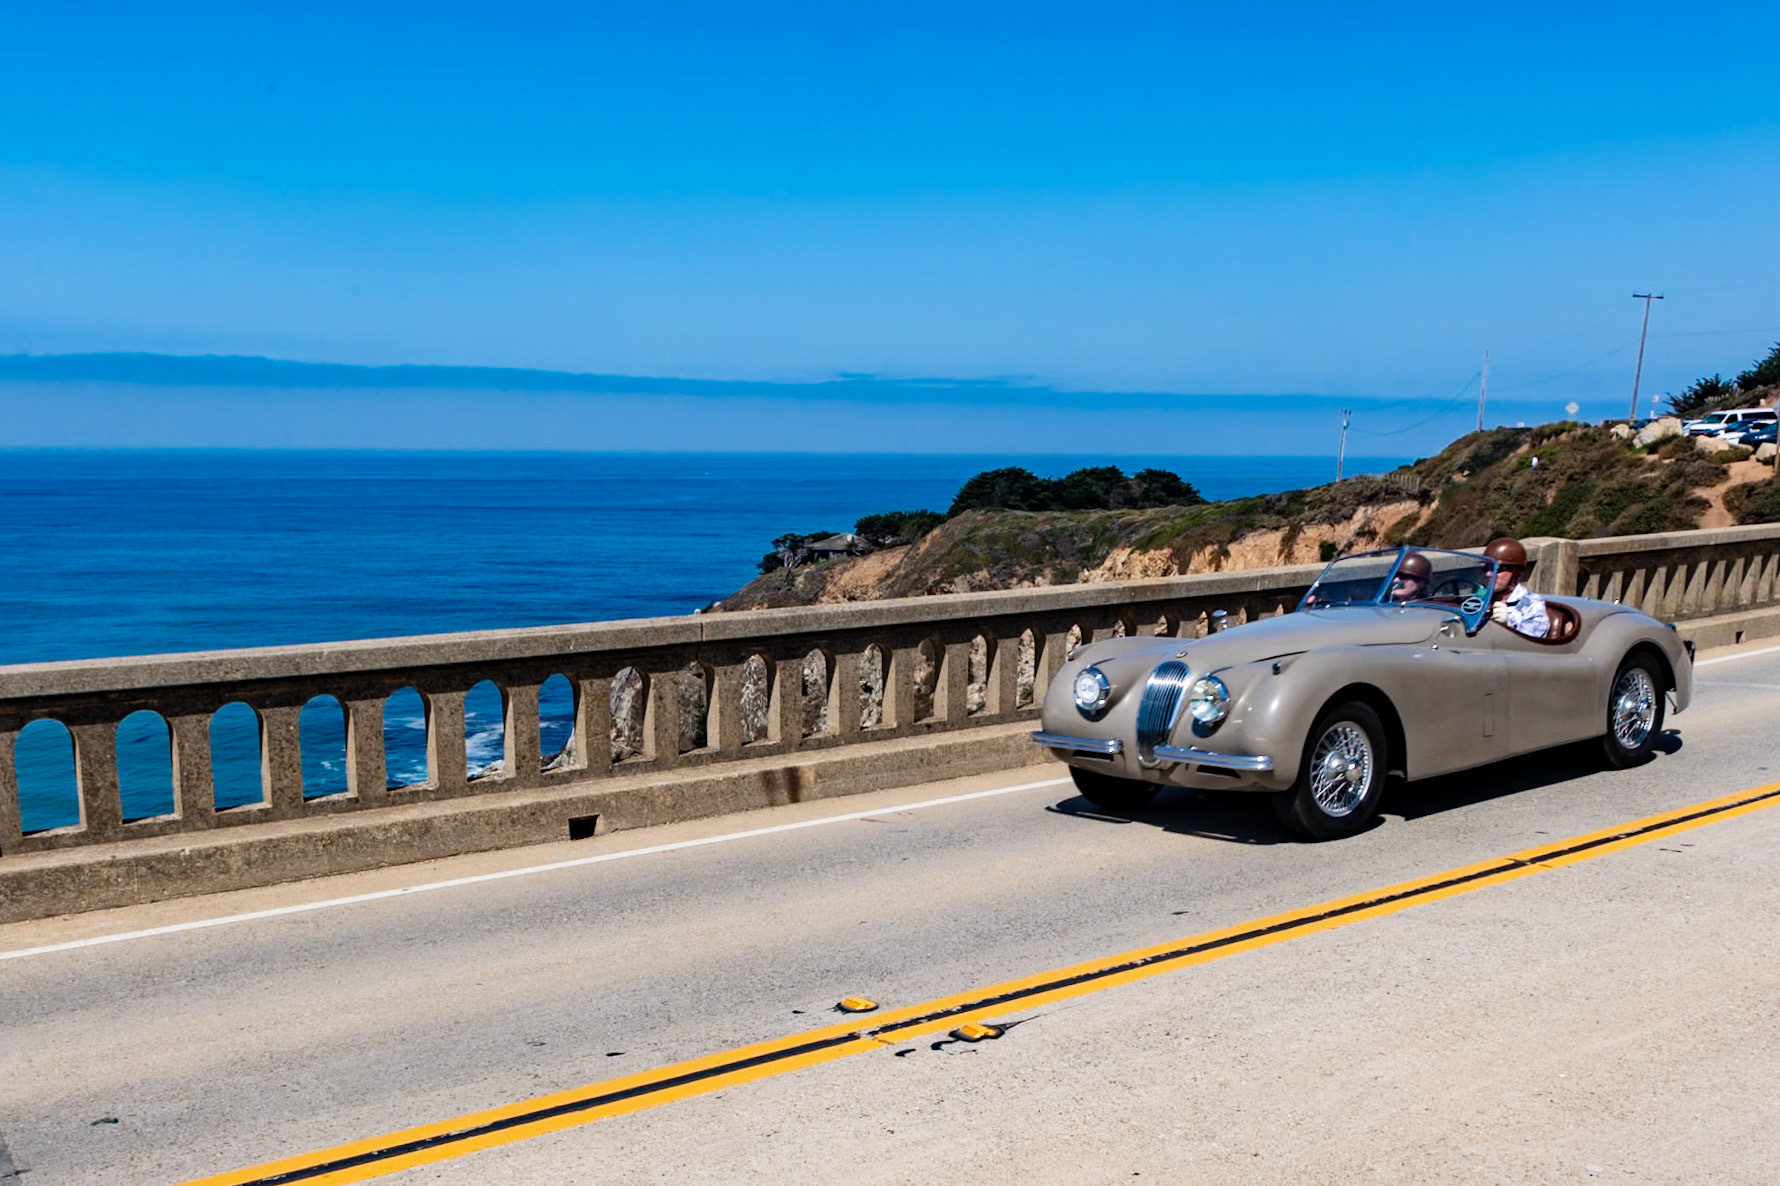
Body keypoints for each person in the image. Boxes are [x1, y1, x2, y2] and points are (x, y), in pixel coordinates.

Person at [1483, 537, 1550, 638]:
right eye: (1486, 568)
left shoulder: (1532, 603)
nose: (1488, 574)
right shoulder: (1481, 596)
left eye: (1498, 569)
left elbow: (1535, 639)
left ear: (1516, 572)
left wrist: (1509, 624)